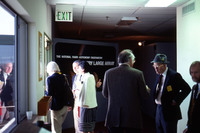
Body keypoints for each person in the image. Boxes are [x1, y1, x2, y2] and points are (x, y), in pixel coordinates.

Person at [102, 49, 150, 133]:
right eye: (134, 60)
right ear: (130, 59)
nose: (134, 62)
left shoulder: (108, 73)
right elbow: (144, 95)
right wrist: (147, 89)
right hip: (132, 118)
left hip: (113, 116)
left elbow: (105, 94)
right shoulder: (138, 73)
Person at [151, 54, 191, 133]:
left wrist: (176, 100)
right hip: (159, 109)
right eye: (154, 66)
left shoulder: (174, 76)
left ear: (165, 65)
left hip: (170, 112)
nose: (155, 68)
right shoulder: (159, 75)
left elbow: (187, 89)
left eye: (158, 66)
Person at [45, 61, 72, 133]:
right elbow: (68, 91)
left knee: (56, 129)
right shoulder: (64, 76)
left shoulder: (49, 79)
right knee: (59, 126)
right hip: (65, 106)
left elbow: (49, 94)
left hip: (56, 108)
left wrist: (45, 90)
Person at [74, 60, 98, 133]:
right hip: (91, 105)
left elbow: (81, 91)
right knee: (89, 127)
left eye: (78, 68)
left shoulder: (86, 77)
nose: (77, 69)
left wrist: (75, 91)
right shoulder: (90, 76)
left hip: (85, 106)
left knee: (85, 128)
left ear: (83, 69)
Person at [183, 61, 200, 133]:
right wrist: (188, 126)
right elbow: (191, 109)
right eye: (191, 72)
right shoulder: (194, 88)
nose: (193, 75)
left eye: (196, 72)